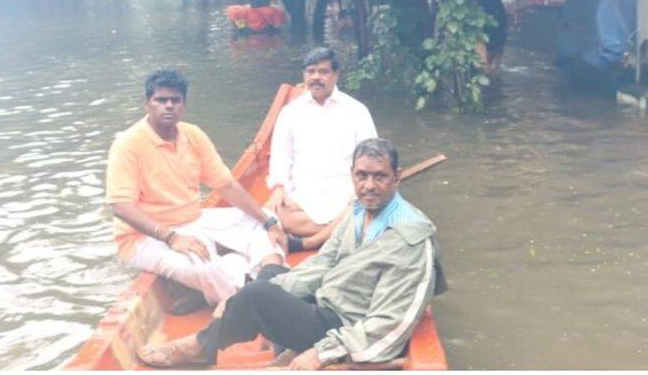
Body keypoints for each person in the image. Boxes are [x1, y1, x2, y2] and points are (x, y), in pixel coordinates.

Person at [137, 138, 447, 369]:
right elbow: (325, 262)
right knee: (270, 277)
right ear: (351, 175)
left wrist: (324, 352)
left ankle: (201, 347)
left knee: (257, 295)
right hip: (326, 302)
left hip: (344, 327)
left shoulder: (410, 239)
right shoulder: (359, 210)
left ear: (397, 176)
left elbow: (392, 323)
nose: (369, 185)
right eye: (361, 176)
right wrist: (252, 293)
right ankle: (267, 334)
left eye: (379, 176)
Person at [106, 69, 287, 309]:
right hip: (146, 237)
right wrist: (172, 238)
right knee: (206, 268)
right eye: (161, 100)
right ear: (146, 104)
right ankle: (255, 282)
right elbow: (120, 206)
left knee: (266, 220)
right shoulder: (127, 145)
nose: (168, 106)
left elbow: (226, 185)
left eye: (175, 100)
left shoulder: (193, 135)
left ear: (183, 105)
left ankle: (264, 277)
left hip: (194, 219)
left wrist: (269, 223)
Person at [265, 47, 377, 251]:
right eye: (311, 72)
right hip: (305, 191)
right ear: (304, 75)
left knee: (361, 206)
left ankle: (309, 242)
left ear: (336, 75)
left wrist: (358, 191)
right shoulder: (290, 112)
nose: (316, 77)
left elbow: (371, 160)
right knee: (277, 211)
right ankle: (339, 231)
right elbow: (281, 157)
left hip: (345, 191)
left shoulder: (357, 111)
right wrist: (279, 188)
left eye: (323, 72)